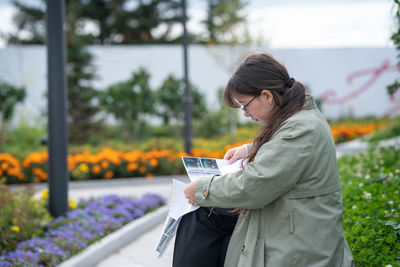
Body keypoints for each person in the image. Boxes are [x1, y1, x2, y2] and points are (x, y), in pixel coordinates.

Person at [178, 52, 355, 267]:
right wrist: (249, 149)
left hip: (299, 249)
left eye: (245, 105)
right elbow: (285, 151)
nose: (245, 114)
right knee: (207, 217)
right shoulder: (300, 119)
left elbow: (253, 187)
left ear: (267, 96)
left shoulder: (301, 128)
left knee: (203, 216)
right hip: (292, 228)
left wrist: (202, 189)